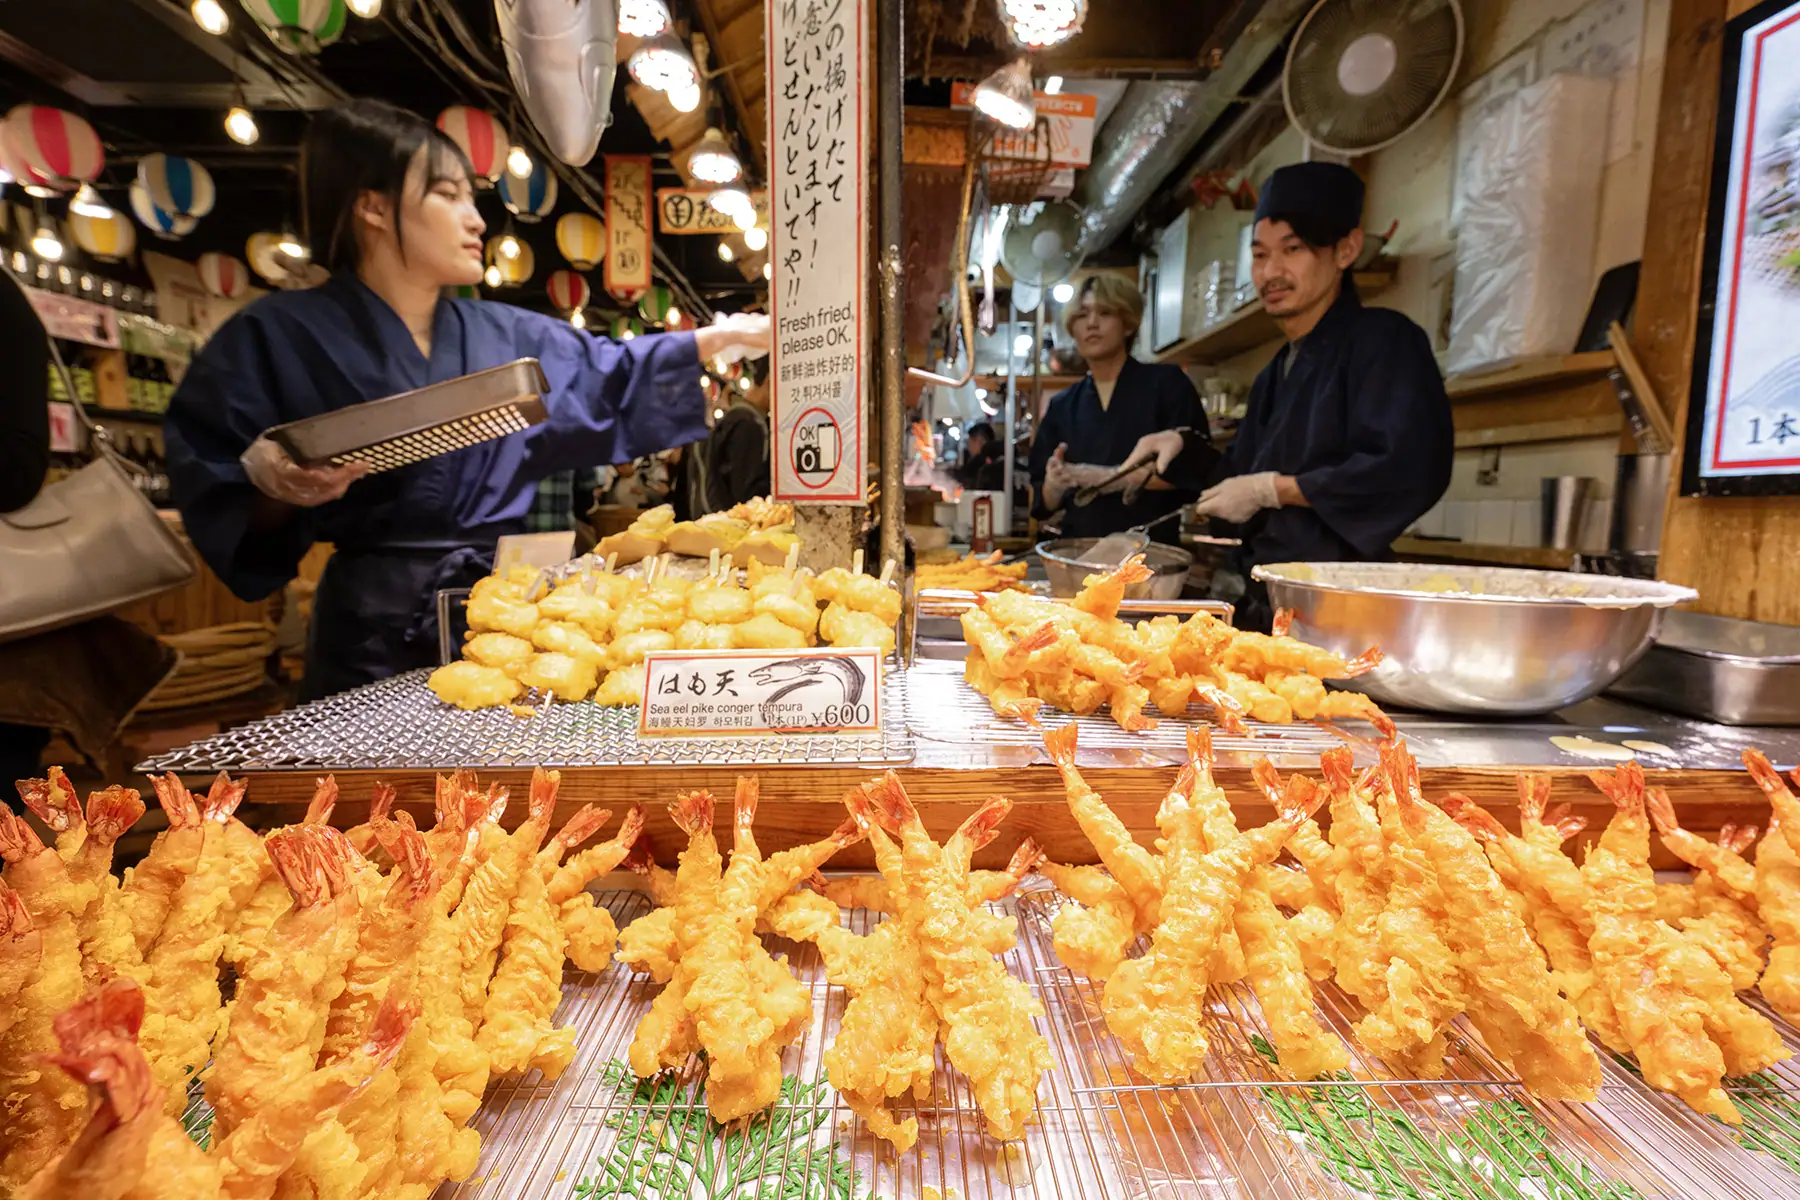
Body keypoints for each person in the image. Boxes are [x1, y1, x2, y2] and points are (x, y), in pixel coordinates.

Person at [165, 100, 769, 700]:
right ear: (372, 205)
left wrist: (722, 336)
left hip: (504, 607)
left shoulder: (506, 335)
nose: (475, 218)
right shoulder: (279, 335)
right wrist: (272, 488)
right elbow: (220, 477)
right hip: (368, 630)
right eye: (447, 195)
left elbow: (607, 371)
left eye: (469, 196)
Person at [1124, 161, 1453, 629]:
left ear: (1346, 250)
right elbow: (1237, 477)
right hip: (1266, 601)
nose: (1270, 272)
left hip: (1343, 608)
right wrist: (1181, 447)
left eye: (1292, 250)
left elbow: (1405, 467)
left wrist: (1274, 490)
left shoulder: (1386, 341)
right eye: (1259, 255)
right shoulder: (1275, 372)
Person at [1026, 275, 1209, 543]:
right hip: (1080, 553)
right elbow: (1041, 503)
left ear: (1127, 323)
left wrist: (1111, 478)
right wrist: (1054, 486)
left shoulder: (1167, 384)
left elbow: (1195, 472)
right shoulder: (1063, 406)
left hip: (1150, 553)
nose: (1092, 323)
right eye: (1082, 315)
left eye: (1105, 313)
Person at [705, 358, 771, 511]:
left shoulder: (734, 418)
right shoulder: (748, 424)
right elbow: (746, 493)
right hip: (738, 526)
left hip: (722, 522)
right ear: (770, 382)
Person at [955, 421, 1005, 492]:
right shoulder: (1002, 459)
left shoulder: (980, 461)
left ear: (980, 441)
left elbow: (964, 475)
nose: (969, 448)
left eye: (969, 443)